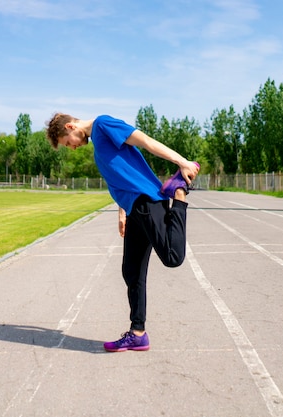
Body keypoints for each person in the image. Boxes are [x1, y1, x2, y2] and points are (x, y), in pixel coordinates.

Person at [46, 113, 199, 352]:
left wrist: (182, 162)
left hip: (146, 201)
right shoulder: (98, 142)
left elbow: (146, 141)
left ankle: (179, 192)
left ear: (70, 126)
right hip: (133, 209)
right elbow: (120, 175)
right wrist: (122, 212)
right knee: (131, 271)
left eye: (68, 142)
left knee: (172, 257)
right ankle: (138, 333)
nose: (73, 148)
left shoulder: (103, 124)